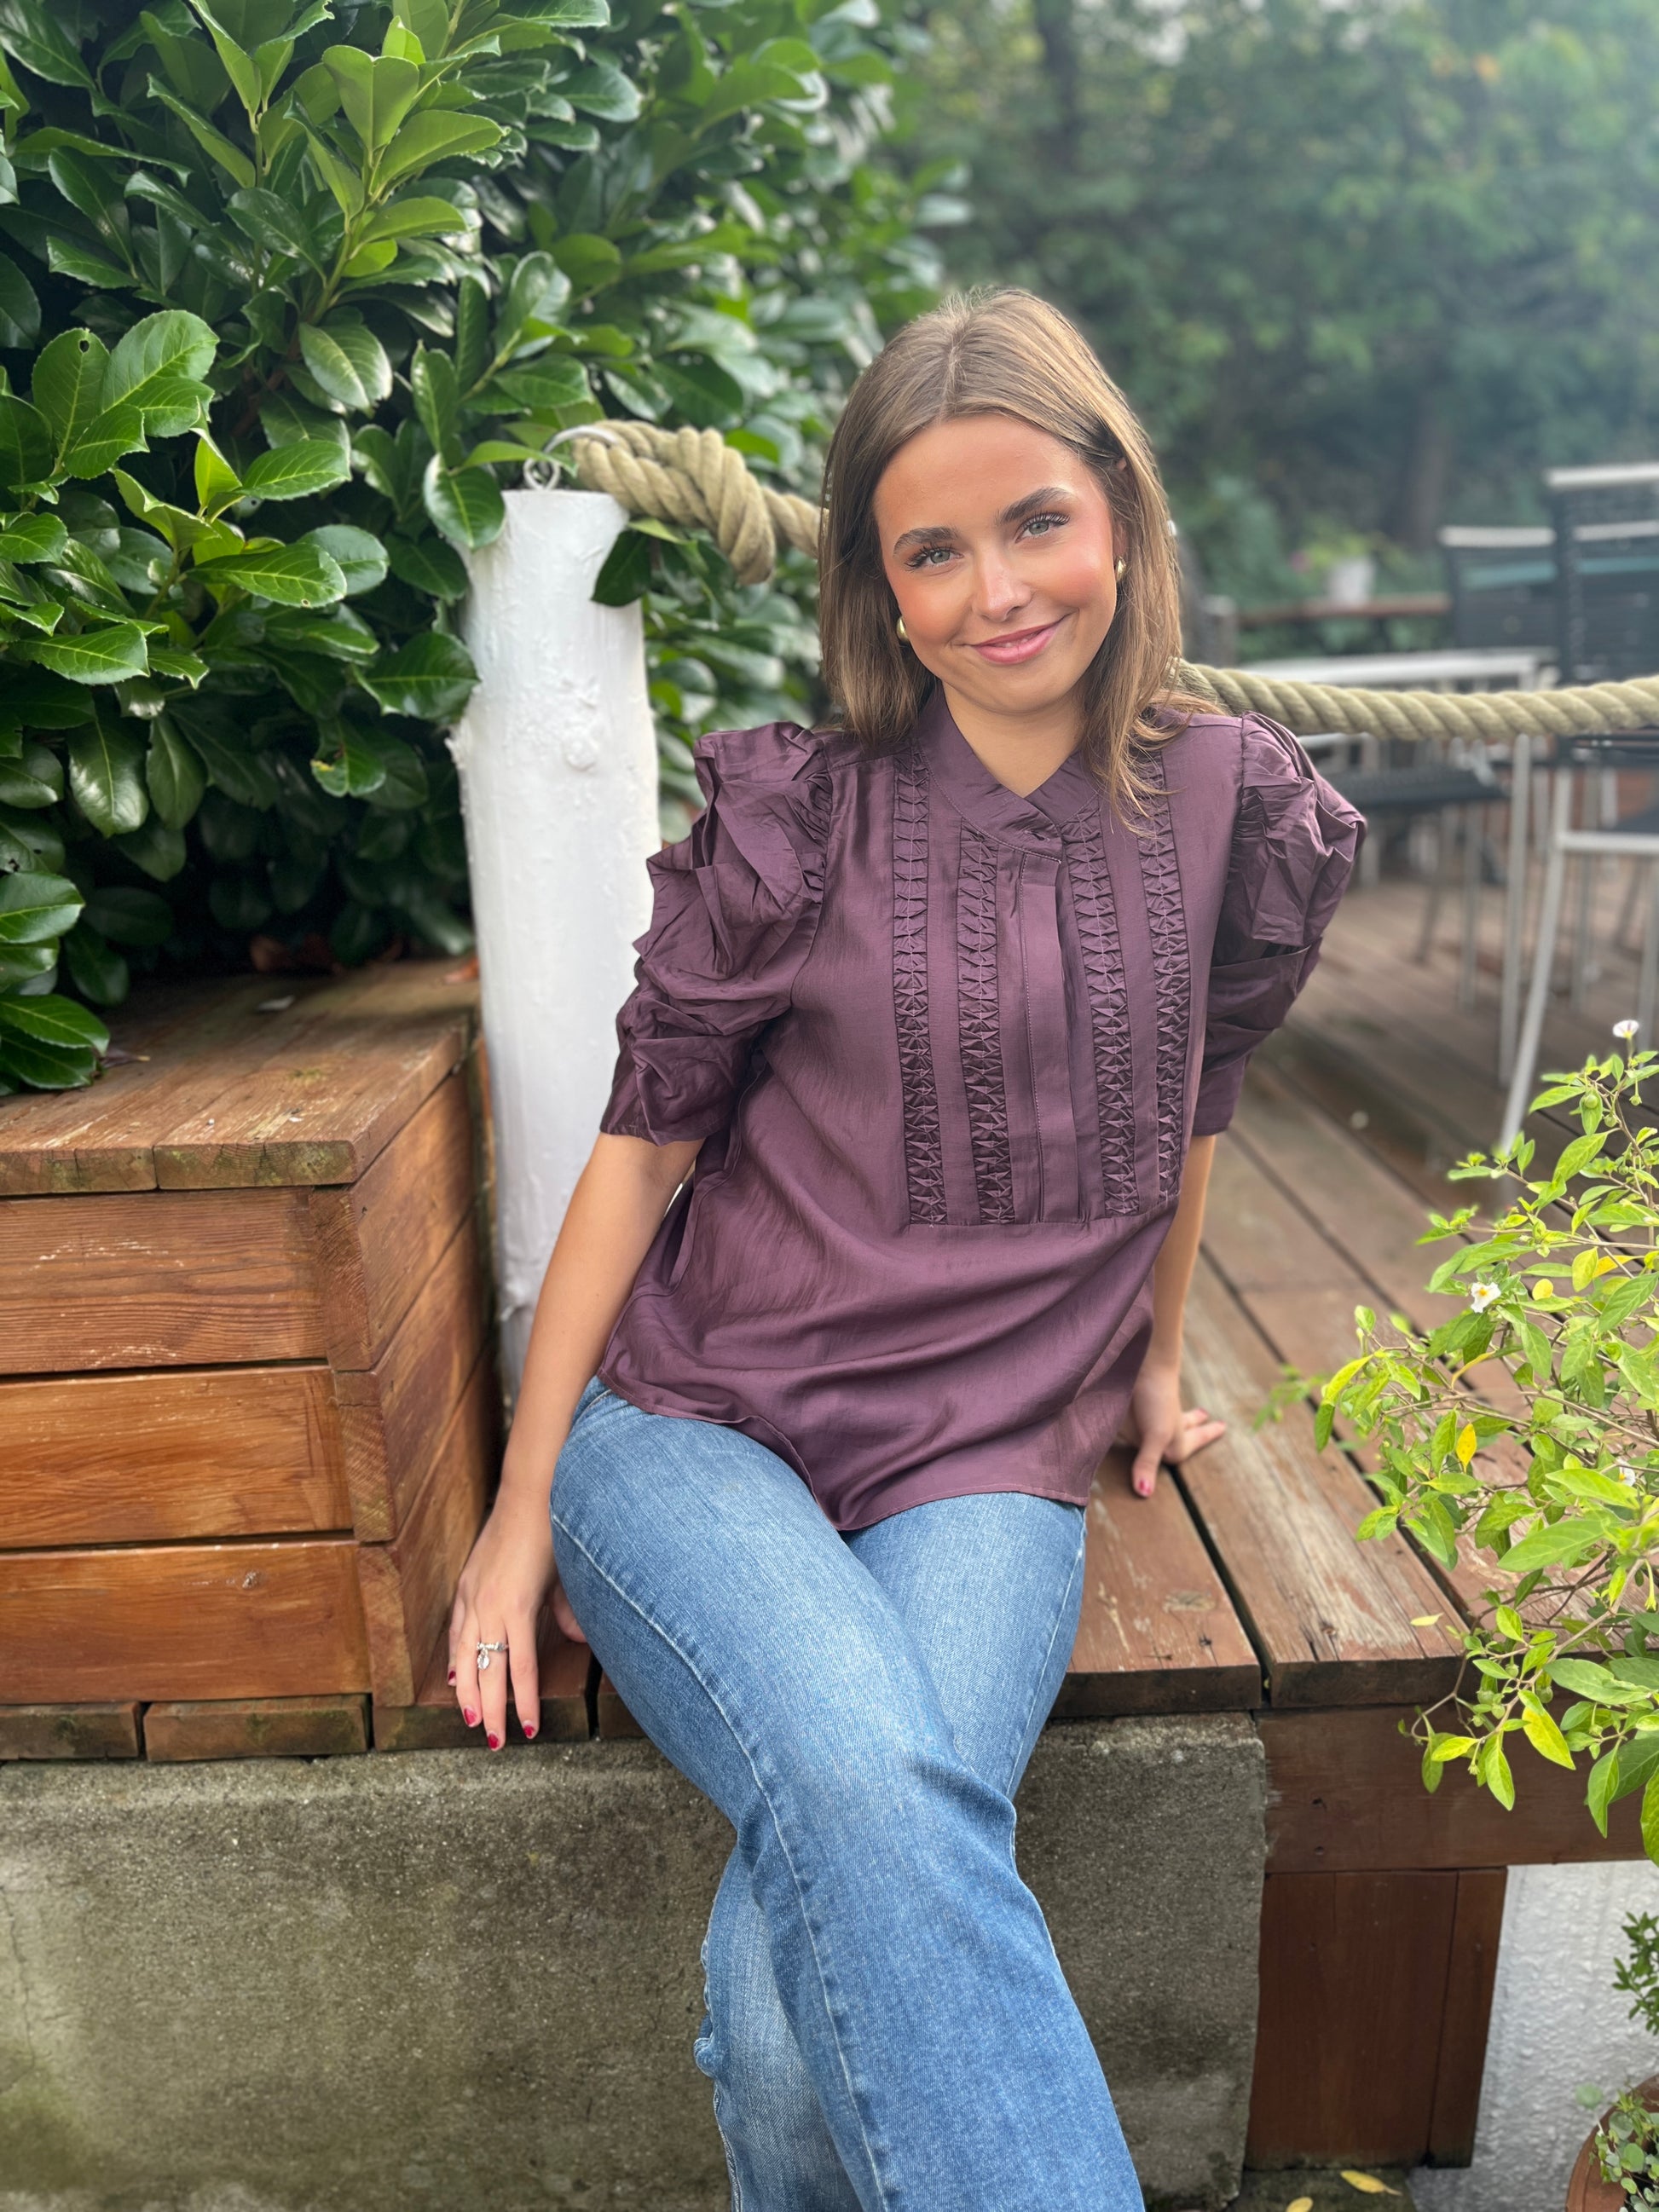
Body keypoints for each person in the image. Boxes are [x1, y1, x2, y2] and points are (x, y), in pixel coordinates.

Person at [448, 286, 1363, 2211]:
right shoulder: (801, 817)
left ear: (1123, 514)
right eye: (930, 551)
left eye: (1036, 522)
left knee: (791, 2019)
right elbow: (633, 1158)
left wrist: (1154, 1357)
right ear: (877, 584)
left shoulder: (1234, 802)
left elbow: (1191, 1101)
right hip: (699, 1429)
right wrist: (525, 1507)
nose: (994, 591)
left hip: (989, 1457)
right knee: (865, 1797)